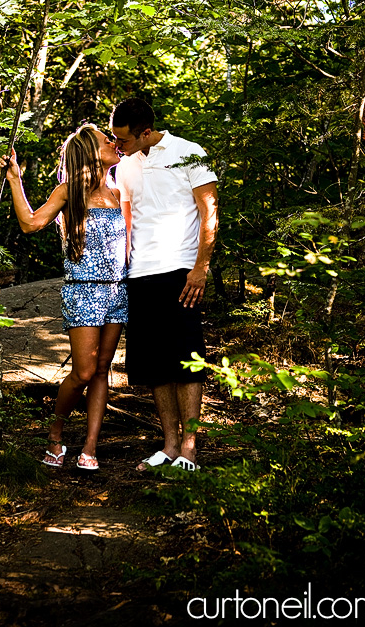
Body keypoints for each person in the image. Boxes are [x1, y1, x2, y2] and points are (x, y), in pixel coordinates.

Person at [0, 124, 127, 471]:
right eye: (107, 140)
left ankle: (89, 448)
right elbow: (29, 223)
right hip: (83, 290)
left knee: (103, 370)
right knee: (84, 372)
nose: (115, 143)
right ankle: (55, 432)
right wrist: (15, 178)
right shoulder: (69, 191)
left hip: (119, 290)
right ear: (89, 151)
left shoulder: (120, 189)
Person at [111, 98, 218, 472]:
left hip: (180, 271)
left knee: (187, 359)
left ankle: (190, 448)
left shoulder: (189, 152)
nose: (117, 145)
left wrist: (200, 266)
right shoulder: (124, 167)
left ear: (144, 132)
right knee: (155, 363)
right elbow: (125, 223)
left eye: (123, 139)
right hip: (139, 274)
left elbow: (210, 211)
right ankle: (169, 445)